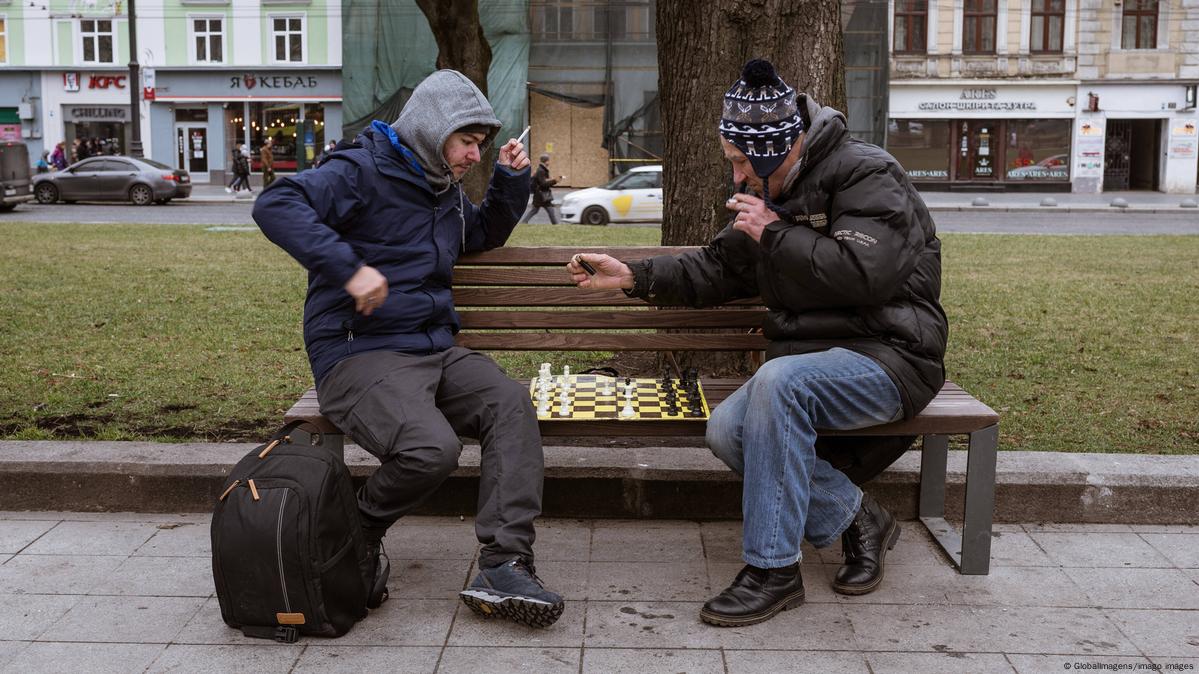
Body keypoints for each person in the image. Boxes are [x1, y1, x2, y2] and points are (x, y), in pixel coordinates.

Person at [567, 59, 948, 627]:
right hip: (807, 366)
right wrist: (634, 277)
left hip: (892, 356)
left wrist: (775, 232)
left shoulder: (868, 175)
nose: (738, 177)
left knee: (779, 381)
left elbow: (866, 276)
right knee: (728, 429)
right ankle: (858, 517)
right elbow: (717, 269)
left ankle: (773, 570)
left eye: (742, 162)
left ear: (775, 151)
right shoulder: (773, 198)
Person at [253, 69, 565, 628]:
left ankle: (503, 562)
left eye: (480, 145)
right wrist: (349, 270)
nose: (474, 155)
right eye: (467, 142)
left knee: (509, 404)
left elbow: (482, 235)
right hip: (357, 353)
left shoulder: (439, 186)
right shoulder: (359, 170)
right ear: (431, 128)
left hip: (432, 350)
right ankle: (358, 532)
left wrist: (511, 180)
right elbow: (277, 205)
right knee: (431, 450)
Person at [520, 153, 562, 224]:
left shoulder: (542, 170)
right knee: (548, 210)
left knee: (536, 210)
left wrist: (553, 180)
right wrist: (555, 181)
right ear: (546, 161)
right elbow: (543, 184)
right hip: (542, 195)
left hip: (541, 195)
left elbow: (545, 182)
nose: (549, 162)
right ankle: (555, 224)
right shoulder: (541, 171)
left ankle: (524, 222)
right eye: (548, 161)